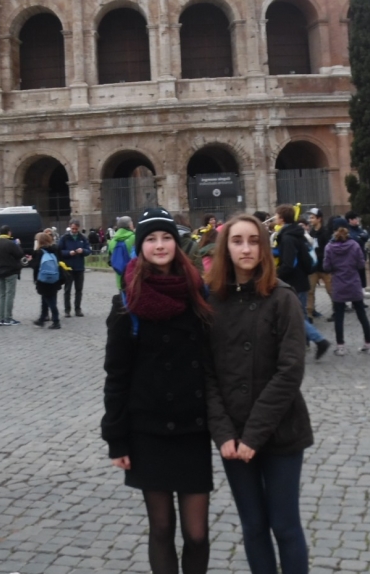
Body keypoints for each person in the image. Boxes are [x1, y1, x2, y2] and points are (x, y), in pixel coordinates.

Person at [101, 207, 213, 574]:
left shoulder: (199, 294)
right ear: (140, 246)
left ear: (177, 244)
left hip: (192, 428)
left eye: (166, 237)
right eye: (151, 238)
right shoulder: (126, 304)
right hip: (148, 430)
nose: (160, 245)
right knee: (161, 529)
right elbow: (116, 376)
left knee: (197, 533)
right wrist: (116, 439)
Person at [205, 214, 311, 574]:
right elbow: (207, 374)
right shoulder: (212, 301)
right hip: (233, 435)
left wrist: (254, 434)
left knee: (284, 525)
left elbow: (290, 370)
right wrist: (223, 433)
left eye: (253, 241)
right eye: (237, 241)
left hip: (280, 430)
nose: (246, 249)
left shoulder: (282, 297)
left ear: (264, 248)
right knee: (253, 525)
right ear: (226, 248)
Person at [273, 205, 330, 360]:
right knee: (301, 314)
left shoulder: (288, 237)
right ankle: (306, 344)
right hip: (301, 280)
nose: (275, 217)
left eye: (276, 215)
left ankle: (319, 340)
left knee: (295, 316)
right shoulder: (295, 233)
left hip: (294, 282)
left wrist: (275, 275)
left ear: (282, 218)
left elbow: (289, 264)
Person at [323, 224, 370, 355]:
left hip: (338, 283)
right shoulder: (355, 245)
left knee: (339, 316)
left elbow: (326, 267)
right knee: (361, 314)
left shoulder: (329, 247)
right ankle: (368, 344)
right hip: (354, 282)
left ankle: (341, 347)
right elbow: (361, 264)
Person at [0, 225, 26, 326]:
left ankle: (0, 318)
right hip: (10, 271)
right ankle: (8, 318)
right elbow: (20, 254)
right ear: (9, 232)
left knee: (2, 295)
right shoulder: (10, 243)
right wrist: (18, 244)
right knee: (9, 295)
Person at [58, 219, 91, 317]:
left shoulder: (82, 238)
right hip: (68, 268)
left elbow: (88, 250)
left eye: (76, 229)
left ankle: (78, 309)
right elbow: (59, 251)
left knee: (79, 289)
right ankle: (67, 310)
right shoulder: (64, 238)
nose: (74, 230)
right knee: (67, 290)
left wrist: (83, 251)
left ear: (78, 228)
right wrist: (68, 253)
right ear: (70, 227)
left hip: (79, 267)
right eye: (73, 228)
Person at [108, 216, 137, 289]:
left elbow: (110, 259)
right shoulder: (134, 238)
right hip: (134, 277)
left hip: (120, 278)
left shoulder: (112, 241)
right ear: (130, 225)